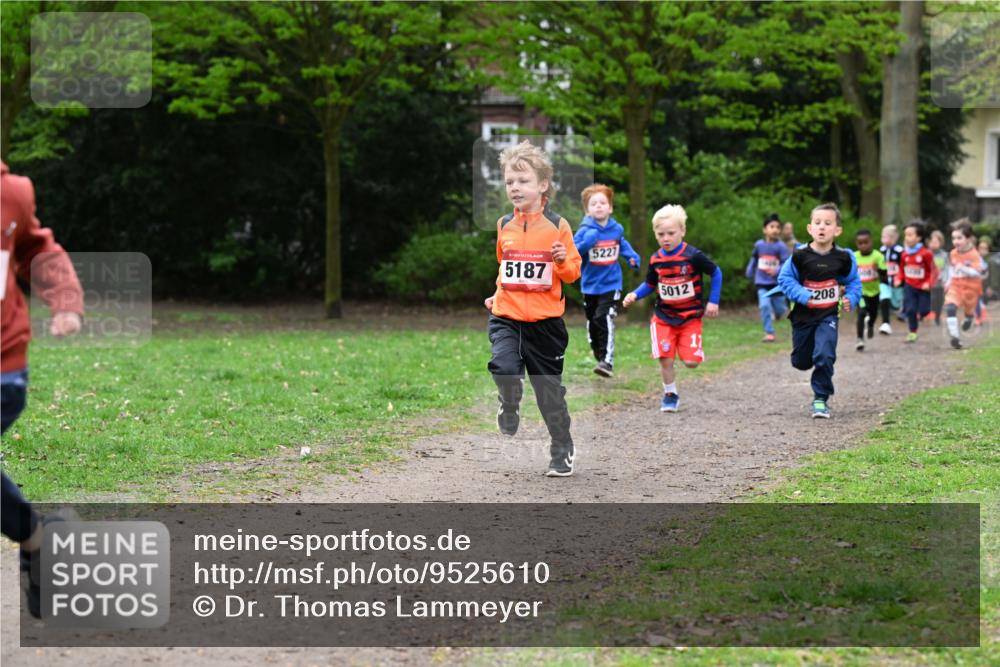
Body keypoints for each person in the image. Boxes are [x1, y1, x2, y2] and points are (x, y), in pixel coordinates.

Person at [1, 160, 84, 617]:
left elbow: (36, 249)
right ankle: (38, 540)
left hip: (2, 365)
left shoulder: (11, 193)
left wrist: (65, 301)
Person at [483, 141, 582, 477]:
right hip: (507, 317)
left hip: (545, 326)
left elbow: (572, 273)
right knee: (504, 366)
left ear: (542, 185)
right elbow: (505, 268)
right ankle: (508, 403)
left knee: (549, 395)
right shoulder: (503, 225)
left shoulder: (558, 225)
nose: (514, 187)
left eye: (523, 181)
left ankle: (561, 448)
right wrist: (496, 296)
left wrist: (561, 260)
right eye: (510, 181)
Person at [622, 204, 721, 413]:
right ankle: (670, 394)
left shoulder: (693, 255)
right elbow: (650, 284)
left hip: (690, 317)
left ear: (682, 231)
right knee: (666, 359)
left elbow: (716, 272)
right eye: (660, 234)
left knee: (692, 363)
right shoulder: (656, 259)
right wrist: (634, 294)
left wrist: (713, 301)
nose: (666, 238)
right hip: (664, 317)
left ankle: (683, 347)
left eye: (671, 233)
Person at [776, 202, 861, 419]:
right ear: (809, 228)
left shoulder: (844, 257)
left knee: (824, 354)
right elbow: (784, 279)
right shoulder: (799, 255)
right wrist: (803, 295)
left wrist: (851, 297)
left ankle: (821, 398)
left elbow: (853, 282)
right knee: (801, 362)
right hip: (803, 317)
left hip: (828, 316)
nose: (822, 227)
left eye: (827, 223)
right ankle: (807, 359)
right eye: (817, 223)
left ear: (837, 230)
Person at [572, 183, 640, 378]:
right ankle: (599, 352)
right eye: (594, 204)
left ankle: (607, 361)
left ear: (610, 207)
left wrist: (632, 258)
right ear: (587, 210)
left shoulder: (616, 229)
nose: (599, 206)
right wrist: (587, 242)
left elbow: (622, 245)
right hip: (590, 285)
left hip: (611, 284)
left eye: (603, 202)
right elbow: (573, 252)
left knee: (604, 317)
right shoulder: (585, 231)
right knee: (593, 321)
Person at [746, 213, 791, 342]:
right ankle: (769, 332)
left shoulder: (781, 246)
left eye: (778, 227)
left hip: (777, 284)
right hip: (762, 282)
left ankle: (778, 313)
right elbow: (754, 258)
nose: (775, 230)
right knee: (764, 306)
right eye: (772, 226)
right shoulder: (759, 245)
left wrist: (777, 270)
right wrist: (750, 270)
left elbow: (786, 262)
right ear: (765, 229)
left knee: (781, 309)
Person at [945, 219, 987, 349]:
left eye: (959, 238)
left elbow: (977, 273)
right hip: (956, 285)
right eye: (953, 238)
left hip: (971, 288)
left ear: (968, 238)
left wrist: (962, 267)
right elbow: (952, 269)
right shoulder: (953, 253)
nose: (956, 241)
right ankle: (955, 338)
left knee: (969, 311)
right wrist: (948, 281)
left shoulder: (974, 255)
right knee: (950, 307)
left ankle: (969, 318)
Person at [899, 220, 938, 343]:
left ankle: (922, 314)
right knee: (910, 310)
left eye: (910, 235)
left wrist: (928, 283)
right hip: (909, 286)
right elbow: (901, 270)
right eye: (906, 235)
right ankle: (912, 332)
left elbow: (934, 271)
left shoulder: (926, 254)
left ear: (919, 237)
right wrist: (898, 279)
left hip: (923, 288)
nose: (907, 238)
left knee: (924, 311)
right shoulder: (904, 254)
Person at [852, 228, 886, 351]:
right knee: (861, 313)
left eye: (866, 242)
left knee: (873, 313)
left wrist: (878, 270)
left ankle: (871, 325)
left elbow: (885, 274)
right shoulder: (854, 257)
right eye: (860, 243)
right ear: (857, 244)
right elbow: (849, 274)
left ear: (871, 242)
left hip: (874, 291)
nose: (863, 245)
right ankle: (860, 339)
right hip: (860, 292)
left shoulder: (878, 256)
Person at [878, 224, 905, 335]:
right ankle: (886, 323)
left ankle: (902, 311)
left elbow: (904, 266)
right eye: (882, 237)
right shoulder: (881, 250)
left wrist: (900, 278)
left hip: (897, 282)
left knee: (897, 302)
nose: (882, 239)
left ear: (893, 238)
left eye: (885, 237)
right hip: (884, 281)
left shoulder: (900, 251)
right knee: (884, 298)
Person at [927, 230, 948, 326]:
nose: (934, 244)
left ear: (941, 243)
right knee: (931, 299)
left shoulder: (944, 255)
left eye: (936, 242)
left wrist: (944, 279)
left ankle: (937, 317)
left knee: (939, 301)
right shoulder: (926, 254)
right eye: (932, 242)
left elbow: (946, 268)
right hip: (929, 283)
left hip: (940, 283)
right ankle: (928, 313)